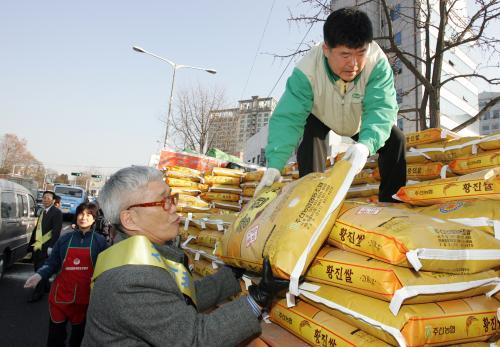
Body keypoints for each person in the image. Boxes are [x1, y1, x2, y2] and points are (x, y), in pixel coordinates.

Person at [82, 166, 288, 346]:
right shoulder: (131, 280)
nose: (174, 209)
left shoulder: (136, 255)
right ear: (130, 219)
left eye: (172, 198)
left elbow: (182, 294)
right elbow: (195, 339)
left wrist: (233, 274)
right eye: (163, 202)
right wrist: (258, 297)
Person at [256, 8, 406, 202]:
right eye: (345, 55)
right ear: (326, 49)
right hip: (322, 115)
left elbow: (381, 108)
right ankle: (311, 202)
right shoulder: (307, 70)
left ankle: (392, 203)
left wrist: (366, 145)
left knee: (395, 140)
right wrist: (275, 165)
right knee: (309, 135)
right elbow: (288, 117)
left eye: (360, 53)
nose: (353, 64)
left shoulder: (377, 63)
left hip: (358, 119)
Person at [24, 202, 108, 347]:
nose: (84, 217)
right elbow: (52, 262)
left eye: (89, 215)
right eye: (81, 214)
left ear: (94, 219)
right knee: (55, 338)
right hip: (60, 296)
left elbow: (104, 270)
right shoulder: (64, 239)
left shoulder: (100, 242)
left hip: (85, 298)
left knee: (78, 338)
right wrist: (39, 275)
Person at [28, 190, 63, 302]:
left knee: (40, 269)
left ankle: (37, 293)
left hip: (47, 245)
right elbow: (36, 229)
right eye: (44, 198)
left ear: (53, 200)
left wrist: (52, 246)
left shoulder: (57, 212)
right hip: (38, 245)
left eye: (48, 198)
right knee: (37, 266)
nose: (46, 200)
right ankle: (46, 286)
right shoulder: (43, 212)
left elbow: (56, 231)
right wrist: (30, 245)